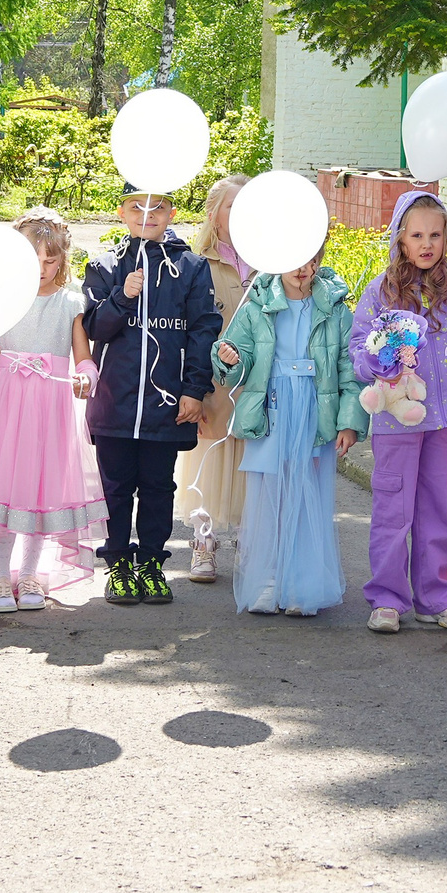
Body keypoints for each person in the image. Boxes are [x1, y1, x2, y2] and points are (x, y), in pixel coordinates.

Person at [349, 162, 447, 633]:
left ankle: (436, 598)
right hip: (397, 419)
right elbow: (359, 346)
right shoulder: (382, 291)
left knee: (440, 507)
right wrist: (379, 363)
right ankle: (387, 599)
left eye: (435, 235)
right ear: (401, 238)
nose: (426, 245)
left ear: (445, 238)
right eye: (416, 235)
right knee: (392, 508)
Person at [84, 190, 221, 606]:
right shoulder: (103, 266)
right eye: (137, 207)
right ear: (121, 212)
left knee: (159, 487)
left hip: (166, 406)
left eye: (157, 207)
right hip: (115, 402)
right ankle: (119, 564)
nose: (147, 215)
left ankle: (150, 564)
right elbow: (94, 328)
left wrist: (194, 388)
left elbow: (203, 329)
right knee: (116, 488)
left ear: (172, 213)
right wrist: (123, 296)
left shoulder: (192, 268)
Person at [0, 208, 105, 611]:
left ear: (63, 259)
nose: (43, 268)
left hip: (52, 408)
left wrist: (86, 378)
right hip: (9, 407)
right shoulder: (3, 298)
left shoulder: (71, 303)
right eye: (34, 259)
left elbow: (84, 358)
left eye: (51, 259)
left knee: (41, 490)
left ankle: (30, 575)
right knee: (5, 486)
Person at [214, 244, 361, 615]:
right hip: (272, 410)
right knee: (269, 497)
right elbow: (239, 357)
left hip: (314, 410)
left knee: (307, 493)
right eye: (294, 260)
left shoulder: (335, 309)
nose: (303, 269)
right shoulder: (256, 306)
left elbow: (348, 367)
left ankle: (301, 584)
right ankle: (266, 579)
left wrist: (349, 421)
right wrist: (228, 356)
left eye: (312, 260)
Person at [175, 174, 251, 582]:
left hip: (255, 382)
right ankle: (203, 544)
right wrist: (193, 388)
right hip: (213, 381)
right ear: (214, 214)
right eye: (231, 207)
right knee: (207, 462)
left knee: (249, 466)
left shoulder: (270, 262)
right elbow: (188, 331)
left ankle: (247, 541)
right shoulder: (198, 262)